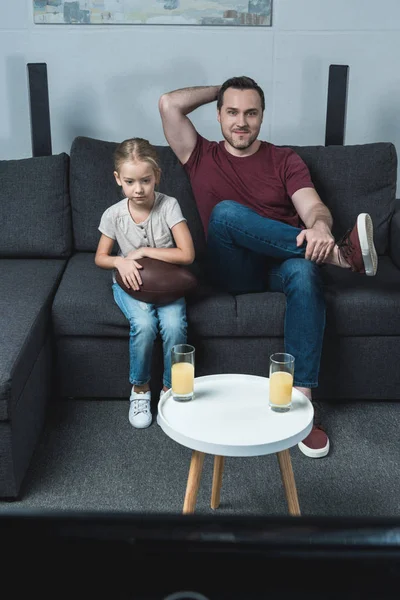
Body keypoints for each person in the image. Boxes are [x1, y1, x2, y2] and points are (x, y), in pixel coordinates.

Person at [158, 75, 378, 458]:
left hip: (283, 264)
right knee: (225, 214)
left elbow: (312, 207)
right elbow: (168, 103)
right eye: (232, 112)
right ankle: (343, 256)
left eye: (250, 113)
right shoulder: (199, 154)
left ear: (262, 116)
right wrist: (223, 87)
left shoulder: (285, 159)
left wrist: (322, 229)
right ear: (219, 114)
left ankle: (301, 406)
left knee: (306, 272)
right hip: (232, 269)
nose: (241, 122)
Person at [95, 138, 195, 429]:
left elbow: (187, 255)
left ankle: (170, 389)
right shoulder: (114, 214)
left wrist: (146, 251)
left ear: (157, 177)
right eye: (130, 181)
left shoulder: (169, 206)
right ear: (118, 179)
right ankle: (139, 389)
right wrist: (121, 261)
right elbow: (101, 257)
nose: (138, 189)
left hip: (167, 286)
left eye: (145, 180)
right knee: (145, 325)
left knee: (175, 325)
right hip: (131, 284)